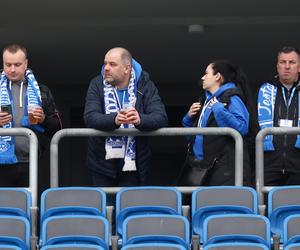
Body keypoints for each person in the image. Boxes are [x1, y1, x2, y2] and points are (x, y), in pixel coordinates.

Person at [84, 47, 168, 188]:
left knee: (129, 208)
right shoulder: (97, 84)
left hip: (135, 164)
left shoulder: (145, 84)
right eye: (105, 63)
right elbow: (90, 117)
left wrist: (140, 119)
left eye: (113, 64)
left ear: (127, 68)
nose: (106, 68)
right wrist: (114, 120)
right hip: (101, 162)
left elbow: (160, 117)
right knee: (105, 209)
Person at [180, 60, 252, 186]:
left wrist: (220, 110)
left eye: (206, 73)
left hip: (225, 169)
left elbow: (242, 128)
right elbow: (194, 138)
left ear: (217, 76)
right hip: (203, 167)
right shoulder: (206, 100)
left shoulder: (232, 98)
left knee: (221, 205)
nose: (203, 77)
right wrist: (188, 119)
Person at [0, 44, 62, 187]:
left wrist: (43, 120)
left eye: (17, 64)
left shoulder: (41, 90)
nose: (12, 69)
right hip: (1, 162)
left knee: (29, 207)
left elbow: (57, 127)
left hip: (31, 162)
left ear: (26, 63)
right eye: (8, 64)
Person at [257, 46, 300, 186]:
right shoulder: (265, 90)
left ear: (299, 67)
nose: (287, 67)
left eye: (292, 62)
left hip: (298, 163)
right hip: (269, 162)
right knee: (264, 205)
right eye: (283, 62)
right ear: (277, 66)